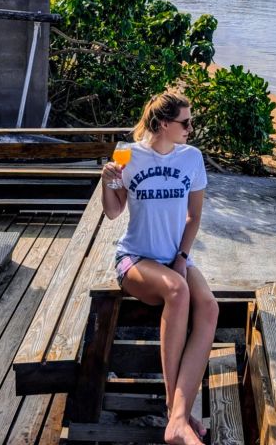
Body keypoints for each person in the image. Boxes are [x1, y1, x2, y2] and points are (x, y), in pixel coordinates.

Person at [101, 91, 218, 445]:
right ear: (164, 124)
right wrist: (107, 181)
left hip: (174, 257)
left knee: (209, 307)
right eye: (186, 122)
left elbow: (193, 217)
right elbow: (113, 211)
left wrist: (181, 258)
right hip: (135, 259)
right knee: (177, 290)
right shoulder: (128, 154)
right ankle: (176, 416)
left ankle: (179, 415)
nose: (191, 129)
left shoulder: (191, 158)